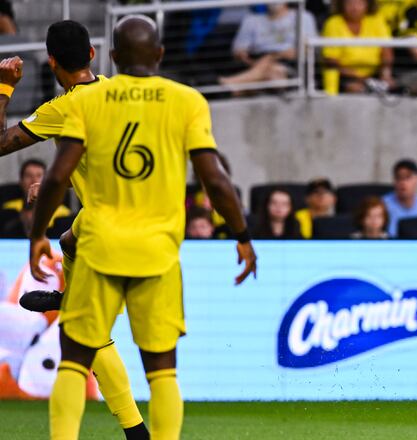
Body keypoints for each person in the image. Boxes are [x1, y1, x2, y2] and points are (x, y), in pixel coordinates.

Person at [28, 15, 256, 440]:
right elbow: (216, 178)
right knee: (163, 370)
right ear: (159, 54)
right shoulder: (185, 100)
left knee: (75, 357)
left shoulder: (83, 103)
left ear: (112, 55)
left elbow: (60, 175)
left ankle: (69, 297)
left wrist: (37, 233)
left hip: (101, 240)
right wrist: (242, 236)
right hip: (157, 249)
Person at [0, 21, 150, 439]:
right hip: (141, 213)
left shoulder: (60, 109)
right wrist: (57, 181)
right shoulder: (122, 94)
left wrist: (5, 87)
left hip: (109, 225)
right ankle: (68, 295)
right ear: (92, 55)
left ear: (50, 61)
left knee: (89, 335)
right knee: (69, 239)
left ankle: (137, 433)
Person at [219, 4, 318, 88]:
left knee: (274, 71)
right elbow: (238, 51)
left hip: (290, 63)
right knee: (275, 76)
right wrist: (250, 60)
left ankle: (230, 83)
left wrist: (273, 56)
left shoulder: (303, 17)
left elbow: (306, 49)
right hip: (255, 62)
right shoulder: (251, 20)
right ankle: (236, 86)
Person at [321, 0, 394, 94]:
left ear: (367, 4)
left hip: (375, 75)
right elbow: (331, 60)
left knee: (394, 86)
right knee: (356, 89)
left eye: (359, 3)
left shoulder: (376, 20)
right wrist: (363, 79)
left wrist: (385, 75)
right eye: (350, 3)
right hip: (344, 76)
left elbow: (386, 51)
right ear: (342, 5)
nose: (354, 8)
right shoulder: (333, 23)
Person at [1, 159, 71, 237]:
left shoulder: (63, 214)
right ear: (21, 181)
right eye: (28, 176)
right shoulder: (7, 210)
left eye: (39, 176)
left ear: (46, 180)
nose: (34, 181)